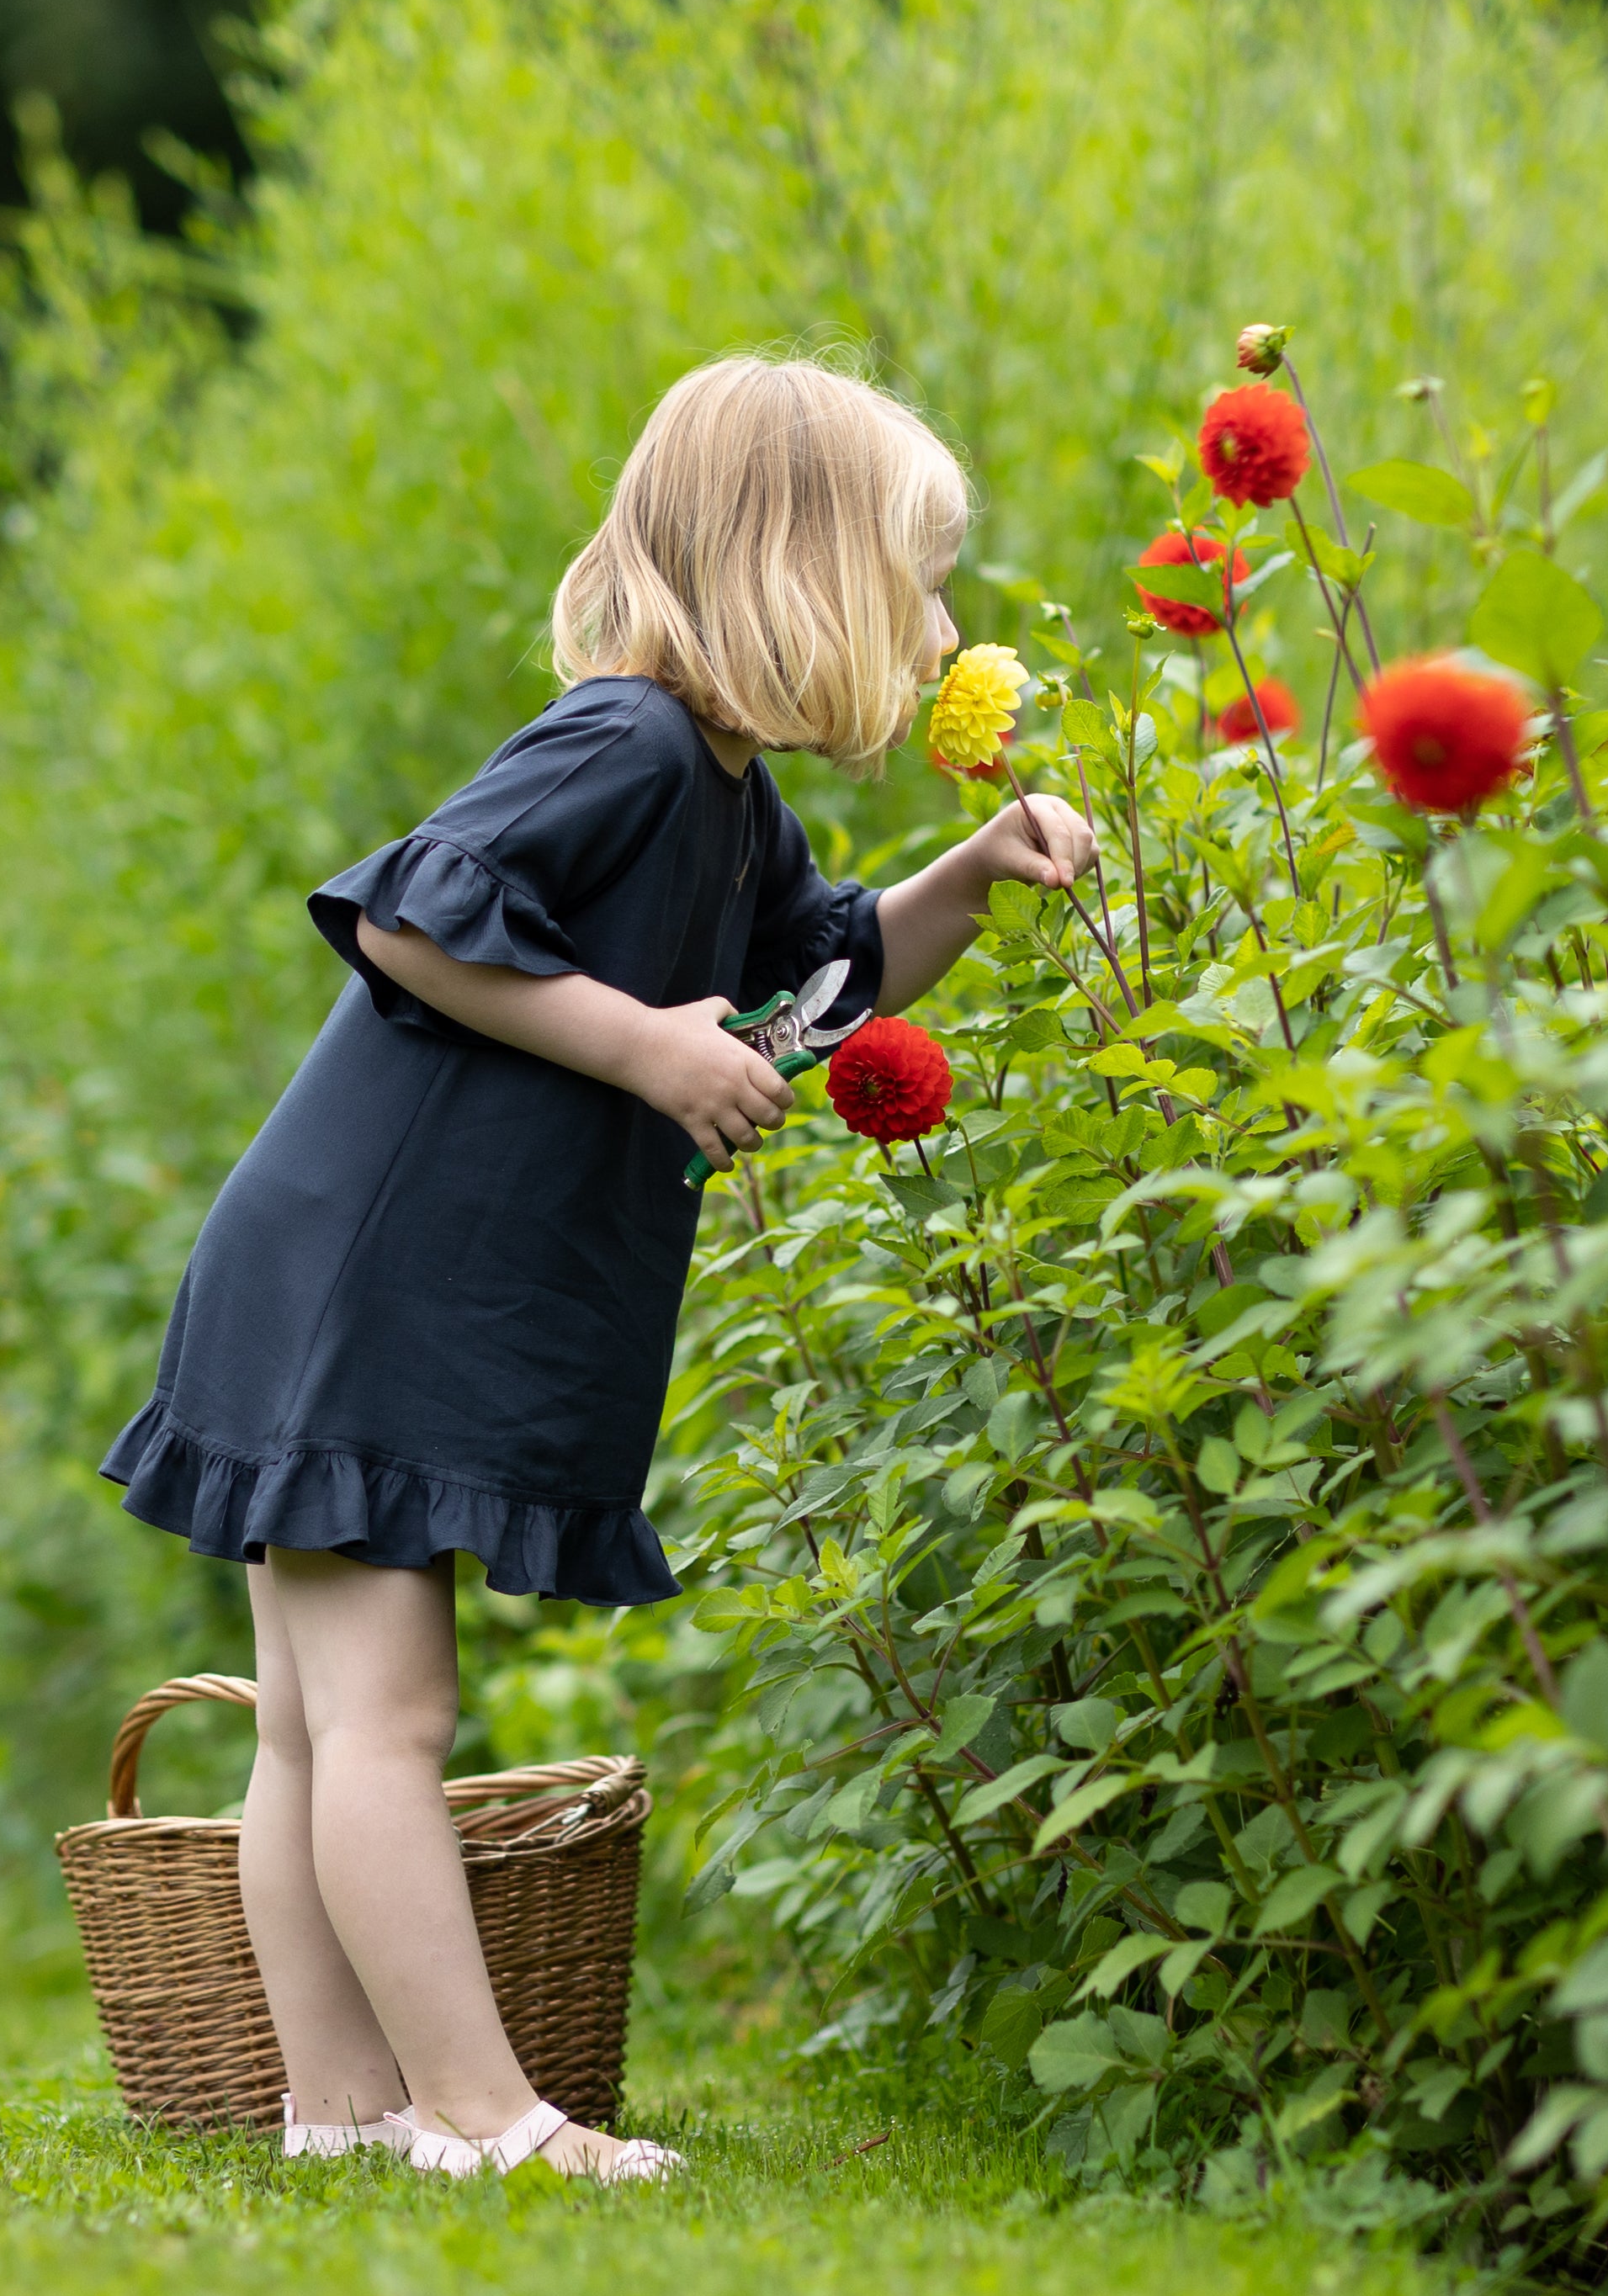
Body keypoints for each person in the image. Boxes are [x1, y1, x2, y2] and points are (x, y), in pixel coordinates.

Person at [98, 353, 1100, 2183]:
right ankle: (480, 2118)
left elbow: (823, 984)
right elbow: (412, 915)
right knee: (384, 1715)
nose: (942, 626)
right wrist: (643, 1044)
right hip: (365, 1277)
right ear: (795, 576)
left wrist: (971, 868)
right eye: (918, 581)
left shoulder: (726, 801)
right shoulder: (624, 741)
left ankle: (339, 2115)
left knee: (322, 1725)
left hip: (347, 1268)